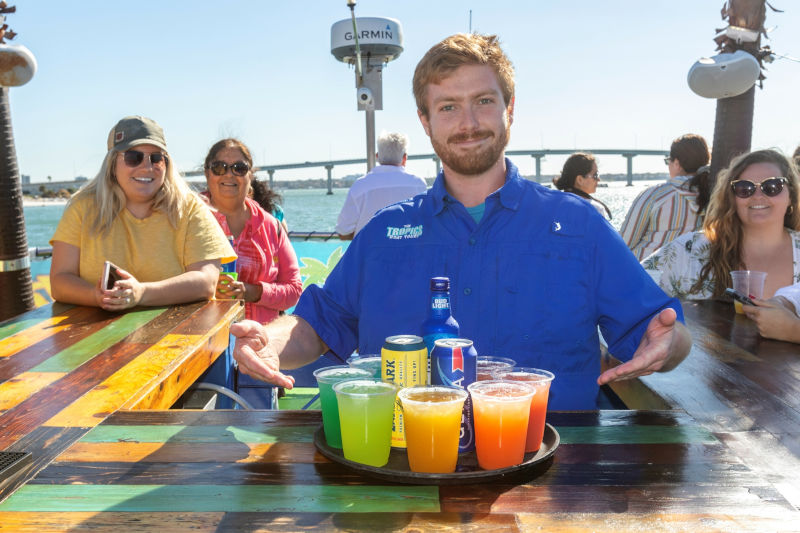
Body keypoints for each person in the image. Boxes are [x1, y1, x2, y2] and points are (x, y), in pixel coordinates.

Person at [231, 33, 691, 410]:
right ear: (425, 121)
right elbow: (318, 324)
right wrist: (268, 340)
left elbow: (659, 333)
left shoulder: (581, 227)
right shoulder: (382, 235)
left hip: (553, 477)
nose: (468, 122)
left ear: (510, 109)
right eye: (448, 106)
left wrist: (671, 346)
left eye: (484, 101)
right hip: (401, 470)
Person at [50, 116, 234, 310]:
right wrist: (96, 297)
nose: (147, 167)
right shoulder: (82, 207)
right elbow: (60, 280)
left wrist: (141, 293)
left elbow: (206, 281)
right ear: (112, 164)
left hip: (178, 335)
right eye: (133, 157)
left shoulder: (190, 208)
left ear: (167, 164)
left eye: (156, 158)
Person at [642, 149, 800, 300]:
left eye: (772, 187)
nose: (758, 196)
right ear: (731, 198)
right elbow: (632, 291)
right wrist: (674, 323)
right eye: (744, 188)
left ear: (791, 196)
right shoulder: (691, 250)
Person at [203, 138, 302, 324]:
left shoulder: (271, 226)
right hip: (202, 343)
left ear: (250, 176)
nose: (229, 174)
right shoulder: (189, 220)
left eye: (239, 168)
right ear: (207, 173)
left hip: (258, 342)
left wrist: (255, 292)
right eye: (219, 167)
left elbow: (294, 290)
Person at [620, 134, 712, 261]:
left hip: (647, 274)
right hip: (692, 276)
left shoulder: (655, 195)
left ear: (677, 163)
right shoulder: (715, 197)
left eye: (668, 160)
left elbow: (624, 243)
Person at [335, 132, 428, 239]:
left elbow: (344, 232)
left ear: (377, 157)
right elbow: (426, 224)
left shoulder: (360, 185)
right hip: (409, 254)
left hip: (370, 254)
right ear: (405, 158)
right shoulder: (418, 184)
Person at [553, 152, 611, 219]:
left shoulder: (554, 206)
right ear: (580, 180)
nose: (598, 179)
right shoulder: (595, 209)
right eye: (595, 175)